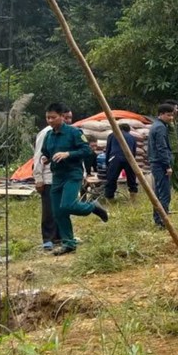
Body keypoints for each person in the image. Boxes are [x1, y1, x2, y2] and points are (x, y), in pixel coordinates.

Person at [41, 102, 108, 255]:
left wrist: (68, 154)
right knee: (57, 211)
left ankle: (92, 207)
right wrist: (46, 158)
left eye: (53, 117)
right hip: (57, 176)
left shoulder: (74, 133)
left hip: (72, 174)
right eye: (47, 118)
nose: (50, 121)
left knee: (68, 205)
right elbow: (46, 152)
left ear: (61, 117)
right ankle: (69, 243)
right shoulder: (48, 135)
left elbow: (86, 150)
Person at [33, 115, 60, 250]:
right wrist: (38, 178)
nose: (68, 120)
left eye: (69, 118)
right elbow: (38, 156)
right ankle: (48, 238)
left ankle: (60, 236)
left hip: (63, 177)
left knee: (61, 208)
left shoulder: (69, 132)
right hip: (48, 177)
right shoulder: (46, 133)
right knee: (49, 209)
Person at [147, 103, 176, 226]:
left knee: (159, 193)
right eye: (168, 115)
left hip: (156, 163)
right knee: (164, 194)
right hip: (160, 164)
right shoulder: (160, 128)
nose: (171, 118)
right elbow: (162, 148)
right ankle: (162, 221)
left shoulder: (157, 126)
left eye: (172, 115)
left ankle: (158, 219)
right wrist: (167, 165)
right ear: (161, 114)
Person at [103, 122, 138, 202]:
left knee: (111, 178)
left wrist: (107, 163)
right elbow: (134, 152)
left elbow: (108, 149)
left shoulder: (112, 135)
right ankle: (133, 199)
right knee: (131, 179)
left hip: (115, 158)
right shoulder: (132, 137)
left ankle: (110, 198)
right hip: (129, 158)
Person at [167, 103, 178, 193]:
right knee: (170, 169)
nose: (177, 110)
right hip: (170, 149)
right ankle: (168, 188)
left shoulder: (174, 121)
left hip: (176, 148)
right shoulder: (167, 122)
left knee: (176, 169)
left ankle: (177, 187)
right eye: (176, 108)